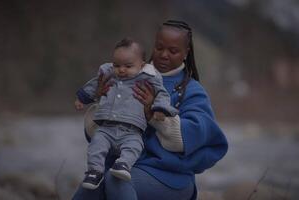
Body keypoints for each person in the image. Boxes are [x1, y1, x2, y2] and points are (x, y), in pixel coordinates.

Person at [72, 20, 228, 200]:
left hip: (170, 176)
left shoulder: (192, 91)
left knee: (115, 180)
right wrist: (102, 99)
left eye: (173, 51)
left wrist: (153, 113)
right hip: (124, 165)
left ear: (186, 53)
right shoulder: (125, 72)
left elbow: (198, 137)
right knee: (91, 186)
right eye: (159, 48)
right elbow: (96, 134)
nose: (164, 55)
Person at [75, 38, 178, 190]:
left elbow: (162, 93)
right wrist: (83, 98)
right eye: (117, 65)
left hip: (132, 129)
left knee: (135, 146)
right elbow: (95, 84)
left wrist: (160, 109)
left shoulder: (148, 78)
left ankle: (123, 165)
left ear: (141, 65)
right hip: (106, 127)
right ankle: (94, 171)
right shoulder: (109, 74)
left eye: (128, 66)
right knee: (96, 145)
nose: (121, 70)